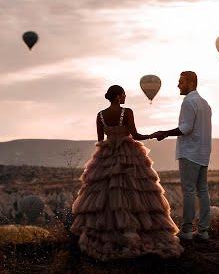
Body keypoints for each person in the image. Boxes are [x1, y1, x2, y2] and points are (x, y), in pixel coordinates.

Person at [70, 85, 183, 261]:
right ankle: (134, 231)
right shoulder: (126, 112)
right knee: (135, 193)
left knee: (107, 194)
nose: (125, 98)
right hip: (128, 156)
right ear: (117, 97)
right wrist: (152, 135)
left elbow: (100, 140)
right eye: (123, 95)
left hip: (106, 156)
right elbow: (136, 135)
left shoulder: (100, 115)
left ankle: (111, 232)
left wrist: (107, 153)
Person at [153, 71, 212, 241]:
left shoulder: (188, 102)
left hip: (190, 153)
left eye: (181, 82)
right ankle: (203, 231)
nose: (178, 85)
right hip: (203, 152)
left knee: (188, 191)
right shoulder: (205, 103)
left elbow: (185, 128)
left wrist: (165, 133)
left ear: (191, 83)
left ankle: (186, 230)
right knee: (203, 191)